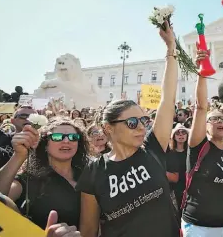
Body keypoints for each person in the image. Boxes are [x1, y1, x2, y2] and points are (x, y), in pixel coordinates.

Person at [76, 21, 180, 237]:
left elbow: (167, 99)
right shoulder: (94, 172)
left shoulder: (152, 148)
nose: (141, 127)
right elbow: (88, 230)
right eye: (132, 123)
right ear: (108, 128)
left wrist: (171, 50)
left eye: (143, 121)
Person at [181, 49, 223, 237]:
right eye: (214, 119)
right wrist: (202, 73)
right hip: (200, 228)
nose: (220, 122)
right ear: (205, 126)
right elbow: (201, 107)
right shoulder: (199, 146)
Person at [0, 118, 89, 230]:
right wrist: (19, 156)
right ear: (45, 144)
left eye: (73, 137)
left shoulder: (89, 175)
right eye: (57, 137)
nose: (66, 141)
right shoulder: (29, 179)